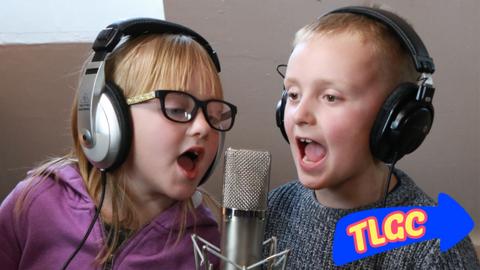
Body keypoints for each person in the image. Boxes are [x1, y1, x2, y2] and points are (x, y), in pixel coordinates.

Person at [0, 18, 237, 269]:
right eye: (178, 109)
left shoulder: (204, 243)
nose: (203, 127)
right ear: (107, 120)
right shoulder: (37, 203)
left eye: (212, 116)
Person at [266, 6, 480, 269]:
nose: (300, 114)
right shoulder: (274, 209)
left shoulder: (437, 245)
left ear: (394, 119)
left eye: (331, 97)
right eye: (294, 94)